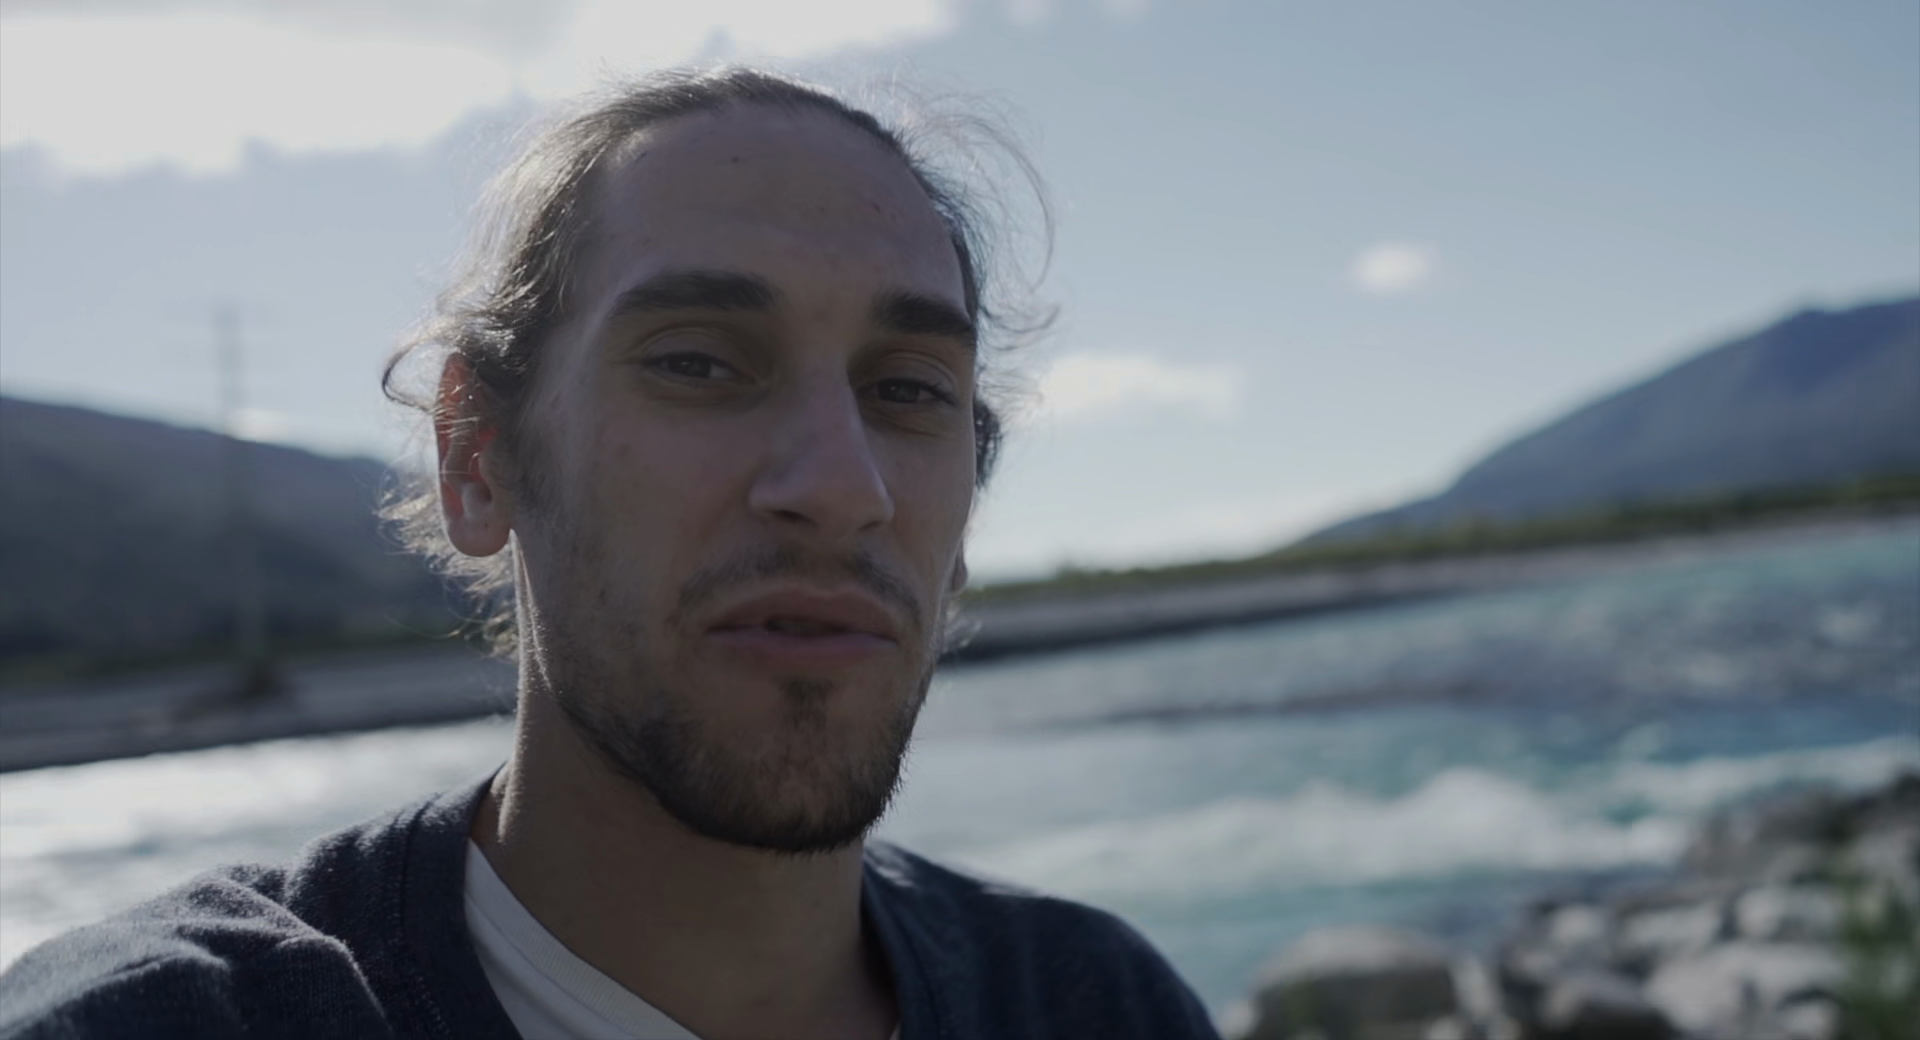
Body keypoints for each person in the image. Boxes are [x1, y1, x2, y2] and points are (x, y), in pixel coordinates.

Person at [0, 68, 1220, 1040]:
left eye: (909, 389)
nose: (844, 488)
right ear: (480, 460)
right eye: (698, 362)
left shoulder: (1092, 1003)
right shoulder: (168, 1021)